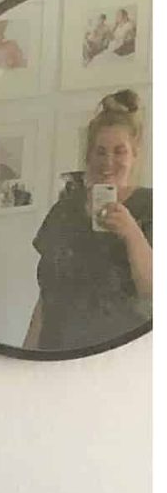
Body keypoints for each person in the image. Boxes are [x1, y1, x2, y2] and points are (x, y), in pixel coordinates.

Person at [26, 89, 152, 351]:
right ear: (88, 156)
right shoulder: (64, 210)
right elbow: (46, 295)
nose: (108, 162)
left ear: (134, 155)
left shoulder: (152, 207)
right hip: (55, 353)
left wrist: (132, 232)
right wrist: (27, 352)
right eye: (100, 151)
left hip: (117, 362)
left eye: (120, 152)